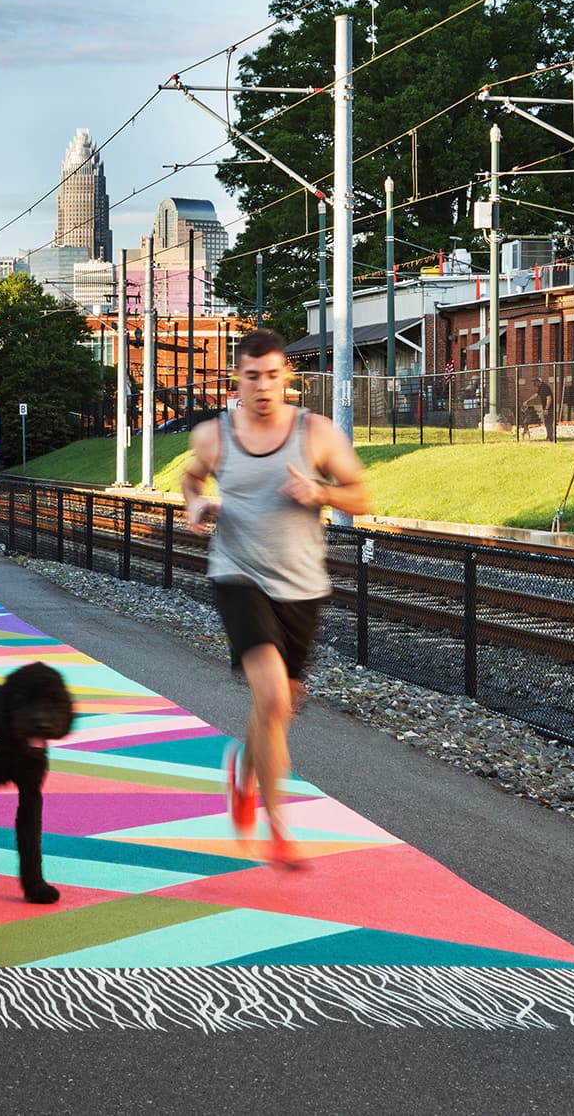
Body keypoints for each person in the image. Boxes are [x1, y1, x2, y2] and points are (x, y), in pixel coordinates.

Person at [181, 330, 369, 866]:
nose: (263, 387)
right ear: (237, 381)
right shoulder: (213, 436)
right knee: (271, 699)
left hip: (302, 587)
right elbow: (191, 480)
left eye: (272, 376)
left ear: (288, 377)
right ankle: (279, 826)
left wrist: (323, 493)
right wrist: (197, 505)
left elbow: (363, 493)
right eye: (251, 377)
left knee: (279, 709)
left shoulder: (318, 433)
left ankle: (242, 773)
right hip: (237, 576)